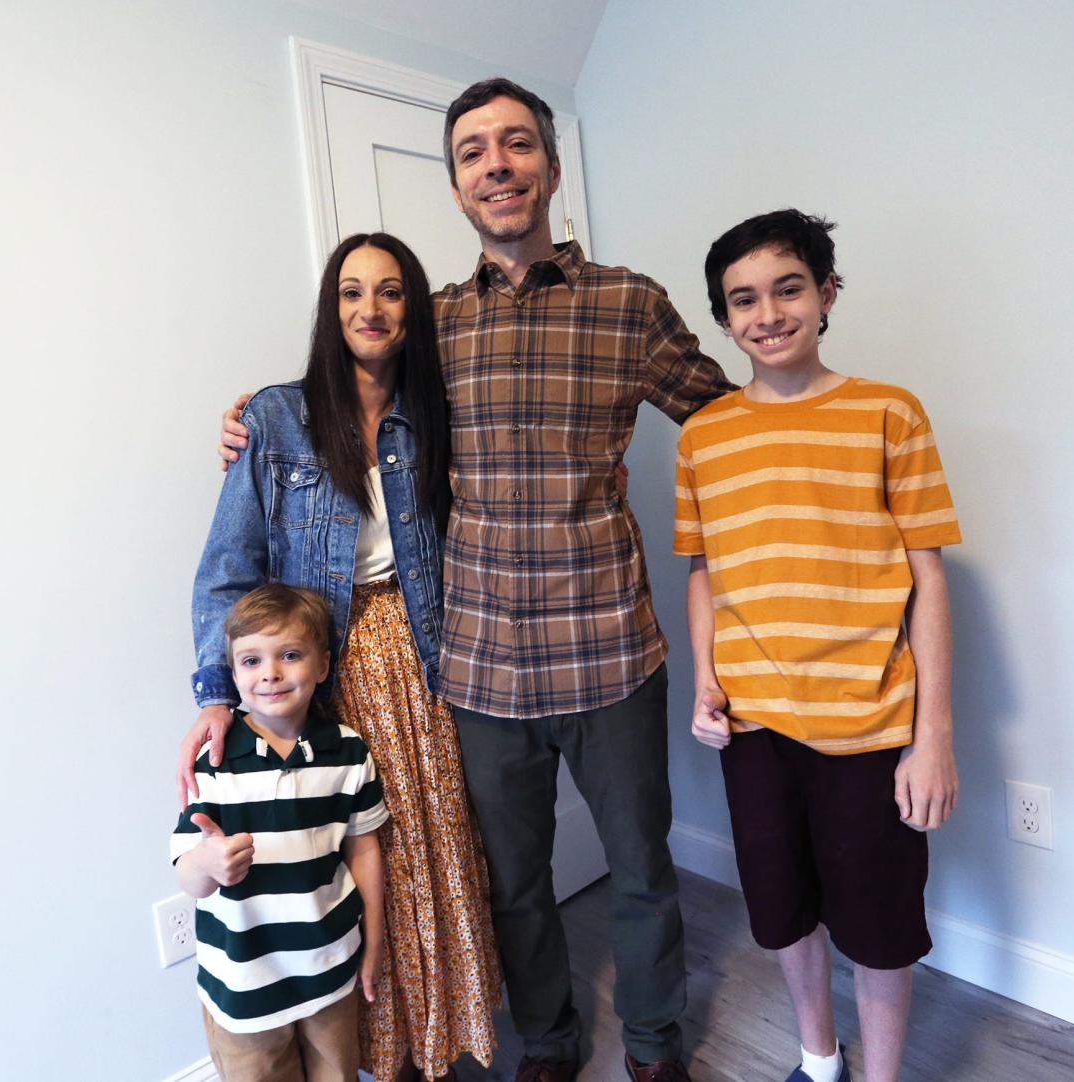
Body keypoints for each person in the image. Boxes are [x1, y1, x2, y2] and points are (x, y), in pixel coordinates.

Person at [218, 77, 734, 1082]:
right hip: (483, 666)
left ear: (547, 162)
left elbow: (724, 428)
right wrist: (251, 417)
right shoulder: (434, 327)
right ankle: (546, 1036)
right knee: (517, 880)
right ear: (456, 185)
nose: (496, 165)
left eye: (515, 145)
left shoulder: (629, 303)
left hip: (613, 650)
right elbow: (347, 394)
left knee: (641, 870)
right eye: (472, 153)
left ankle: (657, 1041)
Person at [184, 232, 500, 1081]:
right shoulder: (276, 418)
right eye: (352, 292)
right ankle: (376, 1053)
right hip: (327, 667)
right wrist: (217, 693)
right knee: (347, 857)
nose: (371, 309)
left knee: (428, 856)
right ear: (332, 308)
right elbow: (226, 567)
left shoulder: (440, 409)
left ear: (412, 310)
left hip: (424, 656)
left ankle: (437, 1042)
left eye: (391, 292)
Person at [675, 209, 962, 1082]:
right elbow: (703, 574)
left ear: (827, 292)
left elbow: (930, 576)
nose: (768, 313)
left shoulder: (888, 411)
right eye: (744, 300)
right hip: (757, 727)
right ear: (724, 321)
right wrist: (706, 682)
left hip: (870, 724)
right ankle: (817, 1055)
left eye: (788, 288)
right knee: (782, 910)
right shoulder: (704, 436)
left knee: (877, 923)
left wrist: (933, 737)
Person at [172, 584, 388, 1082]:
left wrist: (373, 942)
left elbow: (364, 850)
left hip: (329, 970)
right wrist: (208, 863)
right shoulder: (213, 762)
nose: (269, 673)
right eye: (251, 661)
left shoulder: (348, 752)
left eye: (289, 655)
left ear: (323, 666)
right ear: (232, 673)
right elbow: (188, 872)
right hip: (244, 988)